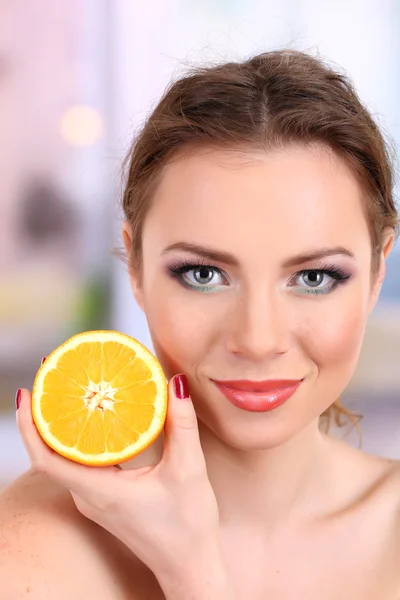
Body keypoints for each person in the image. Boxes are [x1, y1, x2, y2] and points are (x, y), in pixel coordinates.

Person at [1, 48, 399, 599]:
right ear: (135, 267)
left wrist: (193, 573)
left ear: (379, 269)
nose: (258, 340)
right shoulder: (28, 547)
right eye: (204, 274)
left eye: (314, 278)